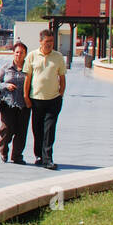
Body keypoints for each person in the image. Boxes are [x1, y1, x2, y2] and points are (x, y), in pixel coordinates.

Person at [23, 29, 66, 170]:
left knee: (49, 129)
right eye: (47, 41)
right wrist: (26, 96)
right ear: (40, 41)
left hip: (53, 100)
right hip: (36, 99)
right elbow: (28, 78)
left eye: (51, 41)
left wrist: (61, 94)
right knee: (37, 129)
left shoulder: (58, 57)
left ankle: (48, 158)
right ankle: (39, 155)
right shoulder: (32, 56)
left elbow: (62, 77)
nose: (49, 44)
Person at [0, 41, 30, 164]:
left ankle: (17, 155)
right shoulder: (6, 67)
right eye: (17, 52)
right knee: (7, 130)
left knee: (21, 131)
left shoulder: (29, 68)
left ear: (26, 54)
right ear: (13, 53)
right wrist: (6, 85)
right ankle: (3, 151)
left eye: (22, 52)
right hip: (8, 103)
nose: (19, 55)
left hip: (24, 104)